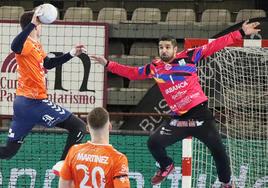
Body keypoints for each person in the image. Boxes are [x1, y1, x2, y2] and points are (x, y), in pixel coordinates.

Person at [90, 20, 260, 187]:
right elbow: (132, 73)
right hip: (178, 118)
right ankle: (166, 165)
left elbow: (215, 45)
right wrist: (108, 64)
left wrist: (241, 33)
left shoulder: (189, 56)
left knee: (219, 152)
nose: (164, 50)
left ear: (175, 49)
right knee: (153, 143)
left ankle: (226, 183)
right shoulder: (155, 67)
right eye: (161, 47)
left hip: (200, 115)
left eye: (167, 47)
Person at [0, 8, 87, 169]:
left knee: (8, 152)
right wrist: (32, 23)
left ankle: (63, 164)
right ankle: (63, 165)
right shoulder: (24, 44)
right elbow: (14, 46)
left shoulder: (36, 45)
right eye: (39, 24)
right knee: (79, 127)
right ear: (35, 25)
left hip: (23, 104)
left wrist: (71, 53)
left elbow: (48, 64)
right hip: (34, 102)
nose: (41, 27)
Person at [58, 107, 130, 188]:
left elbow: (63, 185)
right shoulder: (118, 158)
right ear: (109, 126)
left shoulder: (74, 151)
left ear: (88, 128)